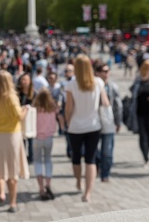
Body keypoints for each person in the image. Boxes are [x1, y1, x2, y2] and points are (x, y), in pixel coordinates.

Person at [0, 70, 29, 213]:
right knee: (12, 170)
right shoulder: (11, 96)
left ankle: (1, 193)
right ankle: (12, 203)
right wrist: (26, 109)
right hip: (12, 137)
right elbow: (19, 116)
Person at [65, 54, 109, 202]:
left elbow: (69, 108)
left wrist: (67, 122)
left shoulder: (71, 84)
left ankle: (79, 181)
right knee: (90, 160)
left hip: (75, 126)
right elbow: (105, 102)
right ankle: (88, 193)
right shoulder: (98, 82)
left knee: (76, 157)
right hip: (93, 125)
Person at [127, 60, 149, 168]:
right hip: (139, 113)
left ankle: (147, 150)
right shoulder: (138, 81)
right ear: (146, 68)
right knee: (143, 135)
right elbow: (132, 91)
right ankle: (146, 157)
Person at [94, 63, 123, 182]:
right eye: (103, 71)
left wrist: (118, 121)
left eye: (107, 71)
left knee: (108, 151)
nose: (106, 74)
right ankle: (97, 166)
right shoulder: (93, 86)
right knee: (94, 150)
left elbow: (118, 105)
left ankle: (105, 174)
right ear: (97, 73)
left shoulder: (112, 87)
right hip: (94, 122)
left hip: (108, 121)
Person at [32, 89, 58, 201]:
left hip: (37, 137)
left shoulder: (35, 109)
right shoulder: (52, 107)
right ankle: (48, 183)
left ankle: (41, 187)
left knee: (37, 161)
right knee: (48, 160)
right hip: (49, 137)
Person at [17, 73, 36, 163]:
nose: (23, 82)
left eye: (25, 80)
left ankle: (31, 156)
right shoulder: (17, 93)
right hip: (21, 119)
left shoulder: (34, 93)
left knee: (31, 138)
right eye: (22, 80)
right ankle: (23, 157)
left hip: (31, 120)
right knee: (22, 139)